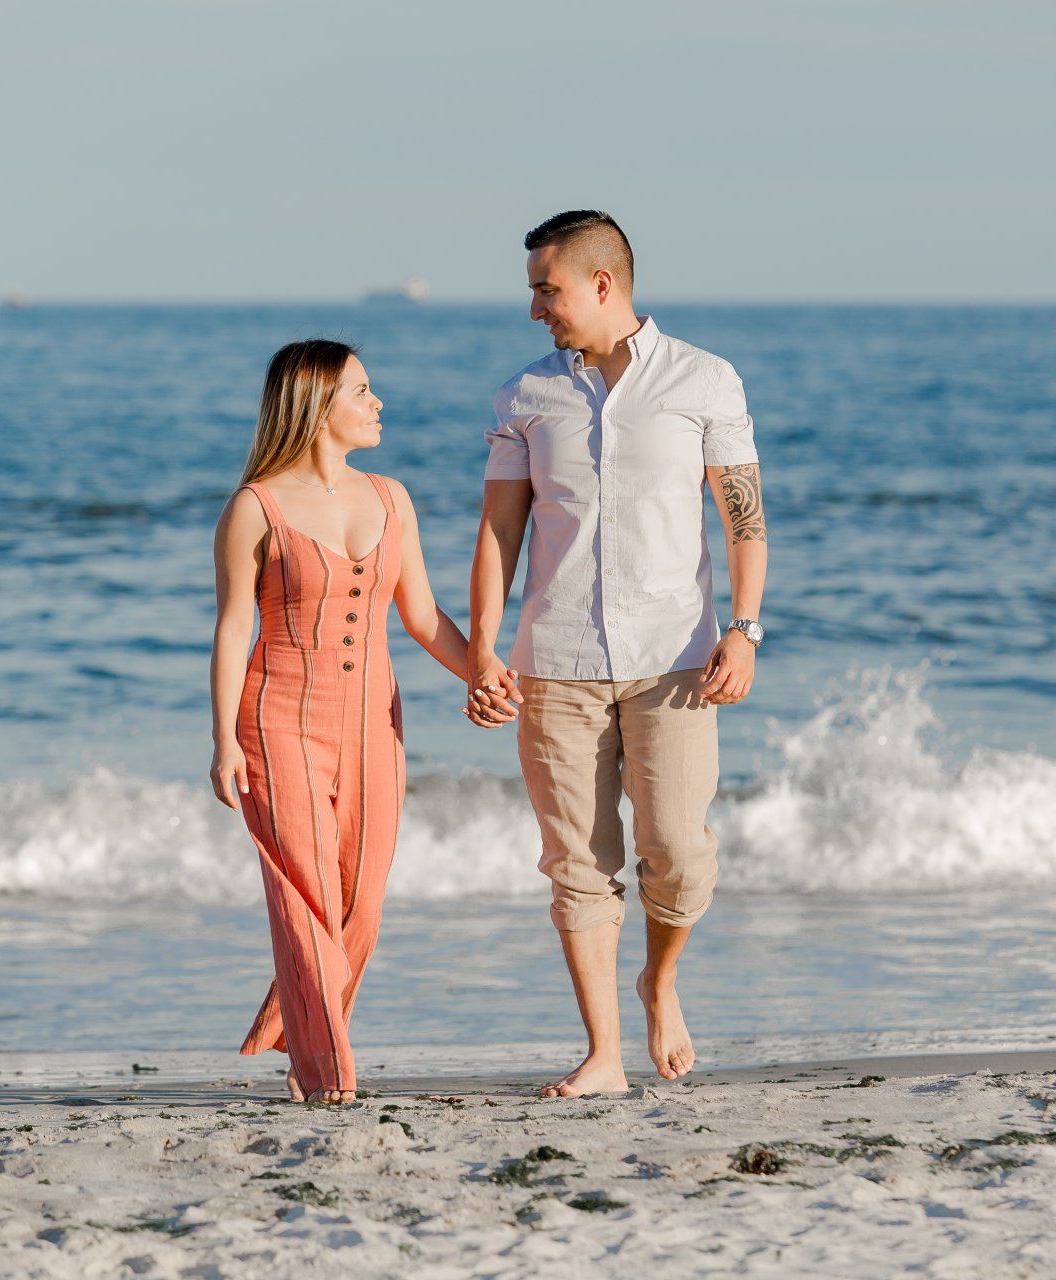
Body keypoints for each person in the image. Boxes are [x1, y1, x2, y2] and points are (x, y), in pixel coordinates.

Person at [467, 211, 770, 1098]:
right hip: (554, 661)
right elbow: (498, 533)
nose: (535, 309)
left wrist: (744, 631)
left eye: (546, 289)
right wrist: (484, 649)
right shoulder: (527, 395)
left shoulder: (705, 382)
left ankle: (660, 977)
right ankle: (602, 1054)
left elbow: (744, 519)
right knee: (578, 864)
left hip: (675, 659)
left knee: (677, 849)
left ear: (603, 285)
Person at [209, 339, 514, 1105]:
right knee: (305, 894)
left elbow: (420, 616)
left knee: (360, 906)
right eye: (362, 390)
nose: (378, 402)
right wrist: (221, 742)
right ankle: (326, 1072)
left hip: (375, 723)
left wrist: (486, 670)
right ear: (315, 407)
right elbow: (230, 627)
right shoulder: (255, 507)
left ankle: (297, 1023)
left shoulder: (391, 497)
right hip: (277, 720)